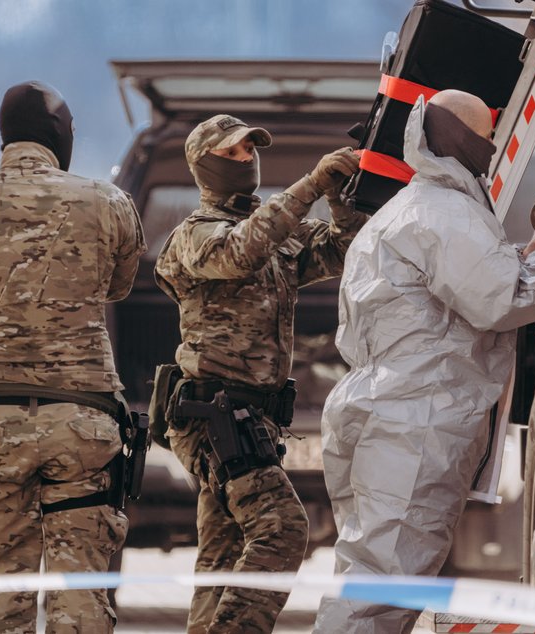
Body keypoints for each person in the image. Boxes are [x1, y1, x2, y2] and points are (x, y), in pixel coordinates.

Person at [313, 89, 535, 633]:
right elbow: (501, 302)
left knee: (370, 575)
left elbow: (454, 287)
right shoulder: (447, 213)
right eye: (488, 134)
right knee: (380, 590)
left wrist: (522, 256)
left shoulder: (411, 207)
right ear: (467, 140)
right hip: (414, 421)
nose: (493, 145)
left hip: (384, 410)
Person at [153, 114, 368, 633]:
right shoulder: (197, 234)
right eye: (231, 152)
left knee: (223, 555)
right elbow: (240, 253)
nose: (245, 158)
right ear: (203, 165)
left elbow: (346, 250)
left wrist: (338, 196)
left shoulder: (278, 233)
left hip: (252, 419)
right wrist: (311, 183)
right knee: (284, 530)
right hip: (213, 415)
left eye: (250, 149)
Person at [0, 81, 146, 632]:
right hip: (82, 423)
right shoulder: (107, 202)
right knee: (82, 592)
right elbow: (118, 286)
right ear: (61, 135)